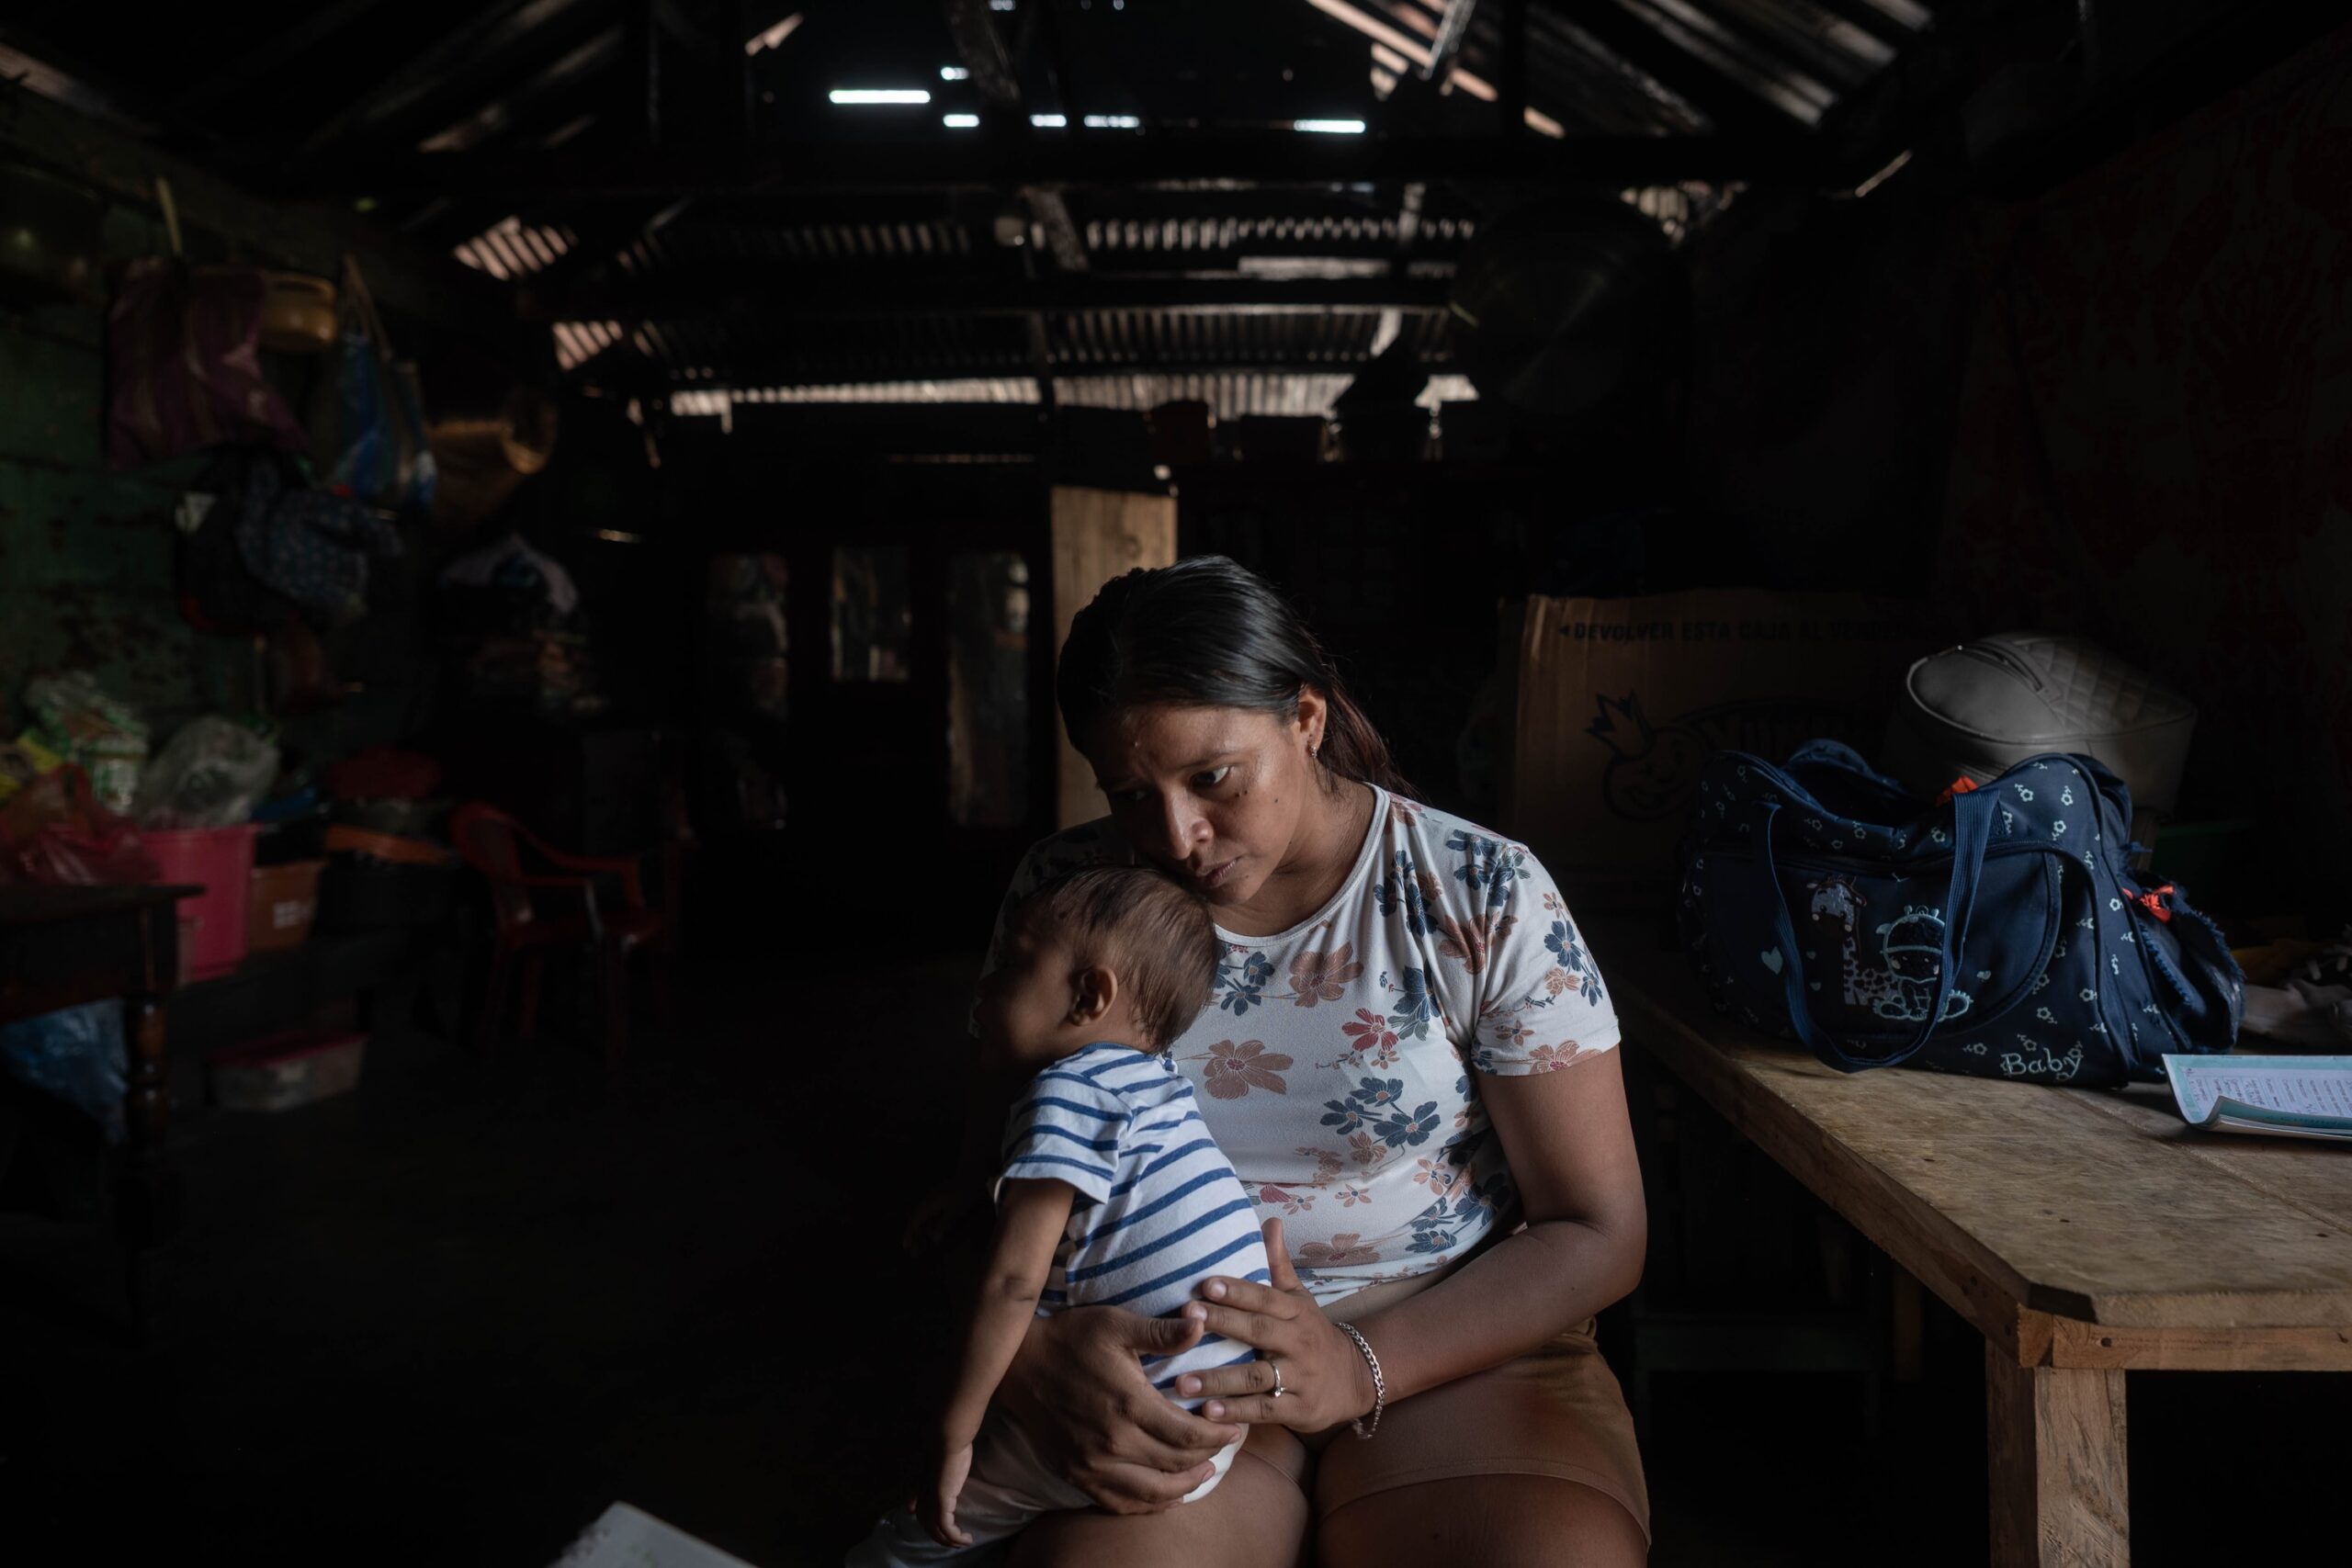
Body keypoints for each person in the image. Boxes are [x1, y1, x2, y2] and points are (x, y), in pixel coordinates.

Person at [912, 556, 1650, 1566]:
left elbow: (1596, 1228)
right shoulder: (1069, 900)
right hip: (1155, 1360)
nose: (1175, 836)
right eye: (1129, 793)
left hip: (1448, 1342)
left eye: (1212, 778)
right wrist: (1032, 1355)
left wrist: (1359, 1366)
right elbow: (976, 1192)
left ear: (1304, 718)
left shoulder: (1476, 893)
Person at [852, 866, 1272, 1567]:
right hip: (1209, 1425)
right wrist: (971, 1186)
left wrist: (953, 1432)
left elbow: (1012, 1282)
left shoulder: (1066, 1091)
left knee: (923, 1531)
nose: (984, 984)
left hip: (1135, 1410)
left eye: (1014, 963)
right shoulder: (1156, 1082)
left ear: (1088, 996)